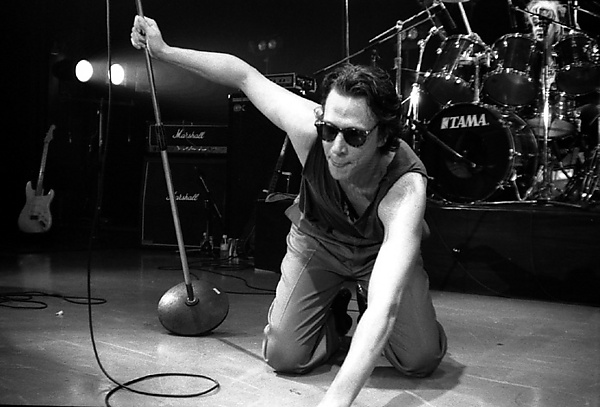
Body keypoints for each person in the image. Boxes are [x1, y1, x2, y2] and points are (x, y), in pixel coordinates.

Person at [131, 15, 447, 407]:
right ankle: (332, 318)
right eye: (329, 129)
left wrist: (335, 402)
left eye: (354, 136)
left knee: (419, 361)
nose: (336, 148)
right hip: (319, 240)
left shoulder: (405, 187)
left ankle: (372, 302)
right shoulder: (306, 128)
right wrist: (163, 51)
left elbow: (385, 308)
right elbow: (243, 75)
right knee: (283, 357)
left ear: (384, 136)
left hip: (379, 253)